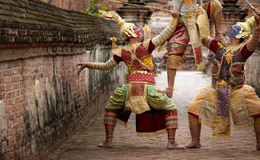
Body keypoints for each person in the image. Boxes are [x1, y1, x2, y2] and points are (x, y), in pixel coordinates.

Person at [77, 9, 184, 149]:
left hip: (129, 89)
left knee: (111, 108)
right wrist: (174, 19)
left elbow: (106, 66)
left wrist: (88, 64)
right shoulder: (146, 46)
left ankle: (108, 141)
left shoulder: (121, 52)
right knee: (171, 109)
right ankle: (171, 142)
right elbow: (164, 35)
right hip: (148, 88)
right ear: (134, 34)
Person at [148, 0, 242, 98]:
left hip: (198, 18)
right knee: (173, 55)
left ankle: (218, 34)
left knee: (215, 4)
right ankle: (170, 89)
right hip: (180, 23)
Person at [185, 8, 260, 151]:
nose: (232, 30)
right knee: (192, 109)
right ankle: (195, 141)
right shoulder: (219, 47)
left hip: (237, 89)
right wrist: (194, 19)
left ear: (241, 34)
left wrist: (257, 22)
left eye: (236, 29)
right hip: (215, 88)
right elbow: (204, 37)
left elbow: (255, 40)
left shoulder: (244, 50)